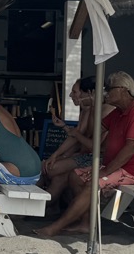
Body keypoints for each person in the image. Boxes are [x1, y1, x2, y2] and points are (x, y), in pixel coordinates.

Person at [34, 71, 134, 240]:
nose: (105, 93)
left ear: (123, 90)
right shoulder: (118, 113)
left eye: (109, 89)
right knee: (75, 176)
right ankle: (85, 223)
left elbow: (131, 148)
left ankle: (56, 227)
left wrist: (105, 171)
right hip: (117, 166)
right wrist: (92, 107)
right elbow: (93, 132)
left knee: (93, 182)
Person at [41, 75, 104, 204]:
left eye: (74, 92)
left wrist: (57, 155)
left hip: (95, 159)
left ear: (88, 93)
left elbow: (79, 137)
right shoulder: (86, 111)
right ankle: (47, 207)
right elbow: (77, 136)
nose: (71, 95)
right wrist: (57, 154)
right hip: (84, 155)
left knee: (51, 169)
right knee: (55, 175)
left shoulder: (100, 111)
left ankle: (38, 206)